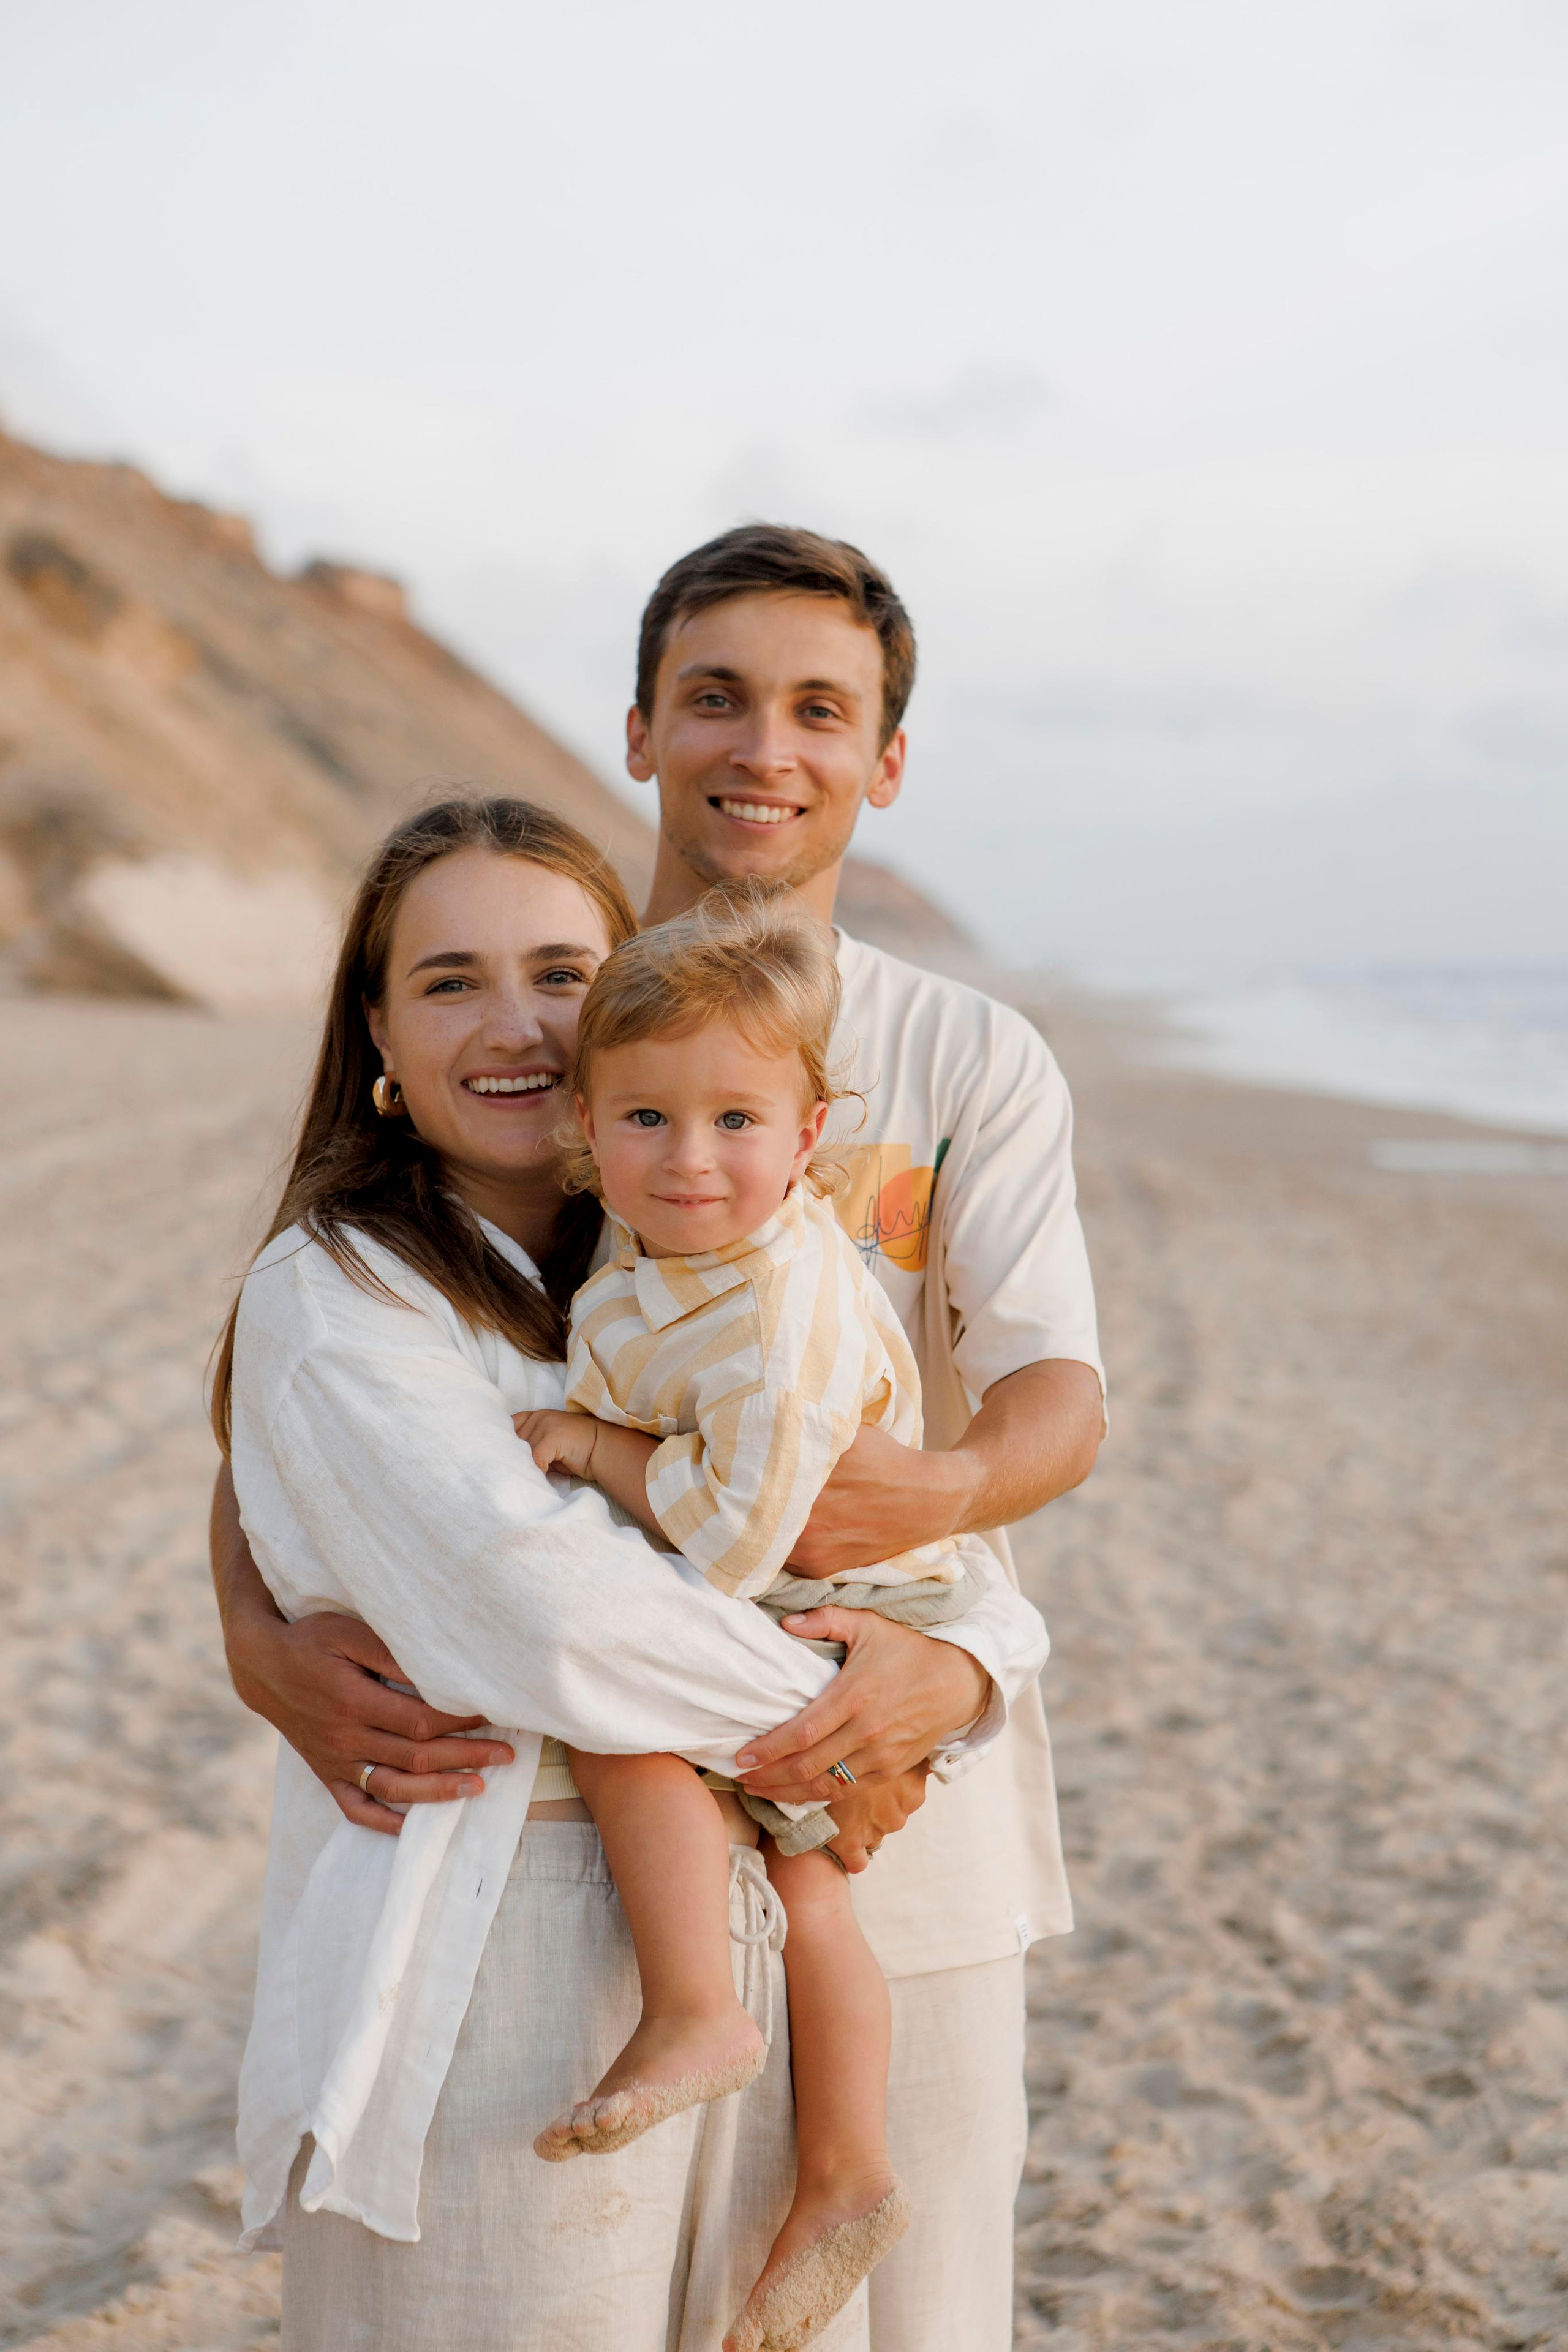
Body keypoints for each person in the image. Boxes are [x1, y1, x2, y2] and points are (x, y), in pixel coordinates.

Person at [211, 524, 1106, 2348]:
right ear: (637, 730)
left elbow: (1061, 1399)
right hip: (637, 1800)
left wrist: (958, 1614)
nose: (762, 748)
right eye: (715, 697)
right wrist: (246, 1621)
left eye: (818, 710)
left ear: (886, 759)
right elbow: (363, 1432)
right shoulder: (593, 1041)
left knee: (913, 2308)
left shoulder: (965, 1056)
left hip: (892, 1797)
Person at [519, 895, 1008, 2346]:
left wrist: (592, 1453)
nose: (687, 1159)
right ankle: (846, 2170)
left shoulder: (777, 1306)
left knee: (617, 1728)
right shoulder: (661, 1247)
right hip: (780, 1580)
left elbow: (742, 1533)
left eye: (736, 1121)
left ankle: (693, 2014)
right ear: (586, 1131)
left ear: (811, 1138)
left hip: (829, 1593)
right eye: (645, 1119)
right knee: (809, 1895)